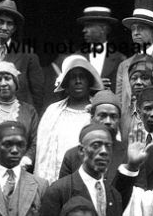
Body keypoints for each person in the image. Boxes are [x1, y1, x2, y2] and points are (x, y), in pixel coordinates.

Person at [35, 56, 103, 184]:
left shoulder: (99, 111)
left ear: (89, 81)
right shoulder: (53, 112)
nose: (78, 81)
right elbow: (42, 154)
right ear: (66, 82)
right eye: (73, 77)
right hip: (58, 180)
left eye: (82, 77)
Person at [58, 89, 126, 182]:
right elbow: (64, 192)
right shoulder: (72, 156)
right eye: (102, 115)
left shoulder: (129, 155)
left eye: (113, 117)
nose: (108, 121)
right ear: (92, 118)